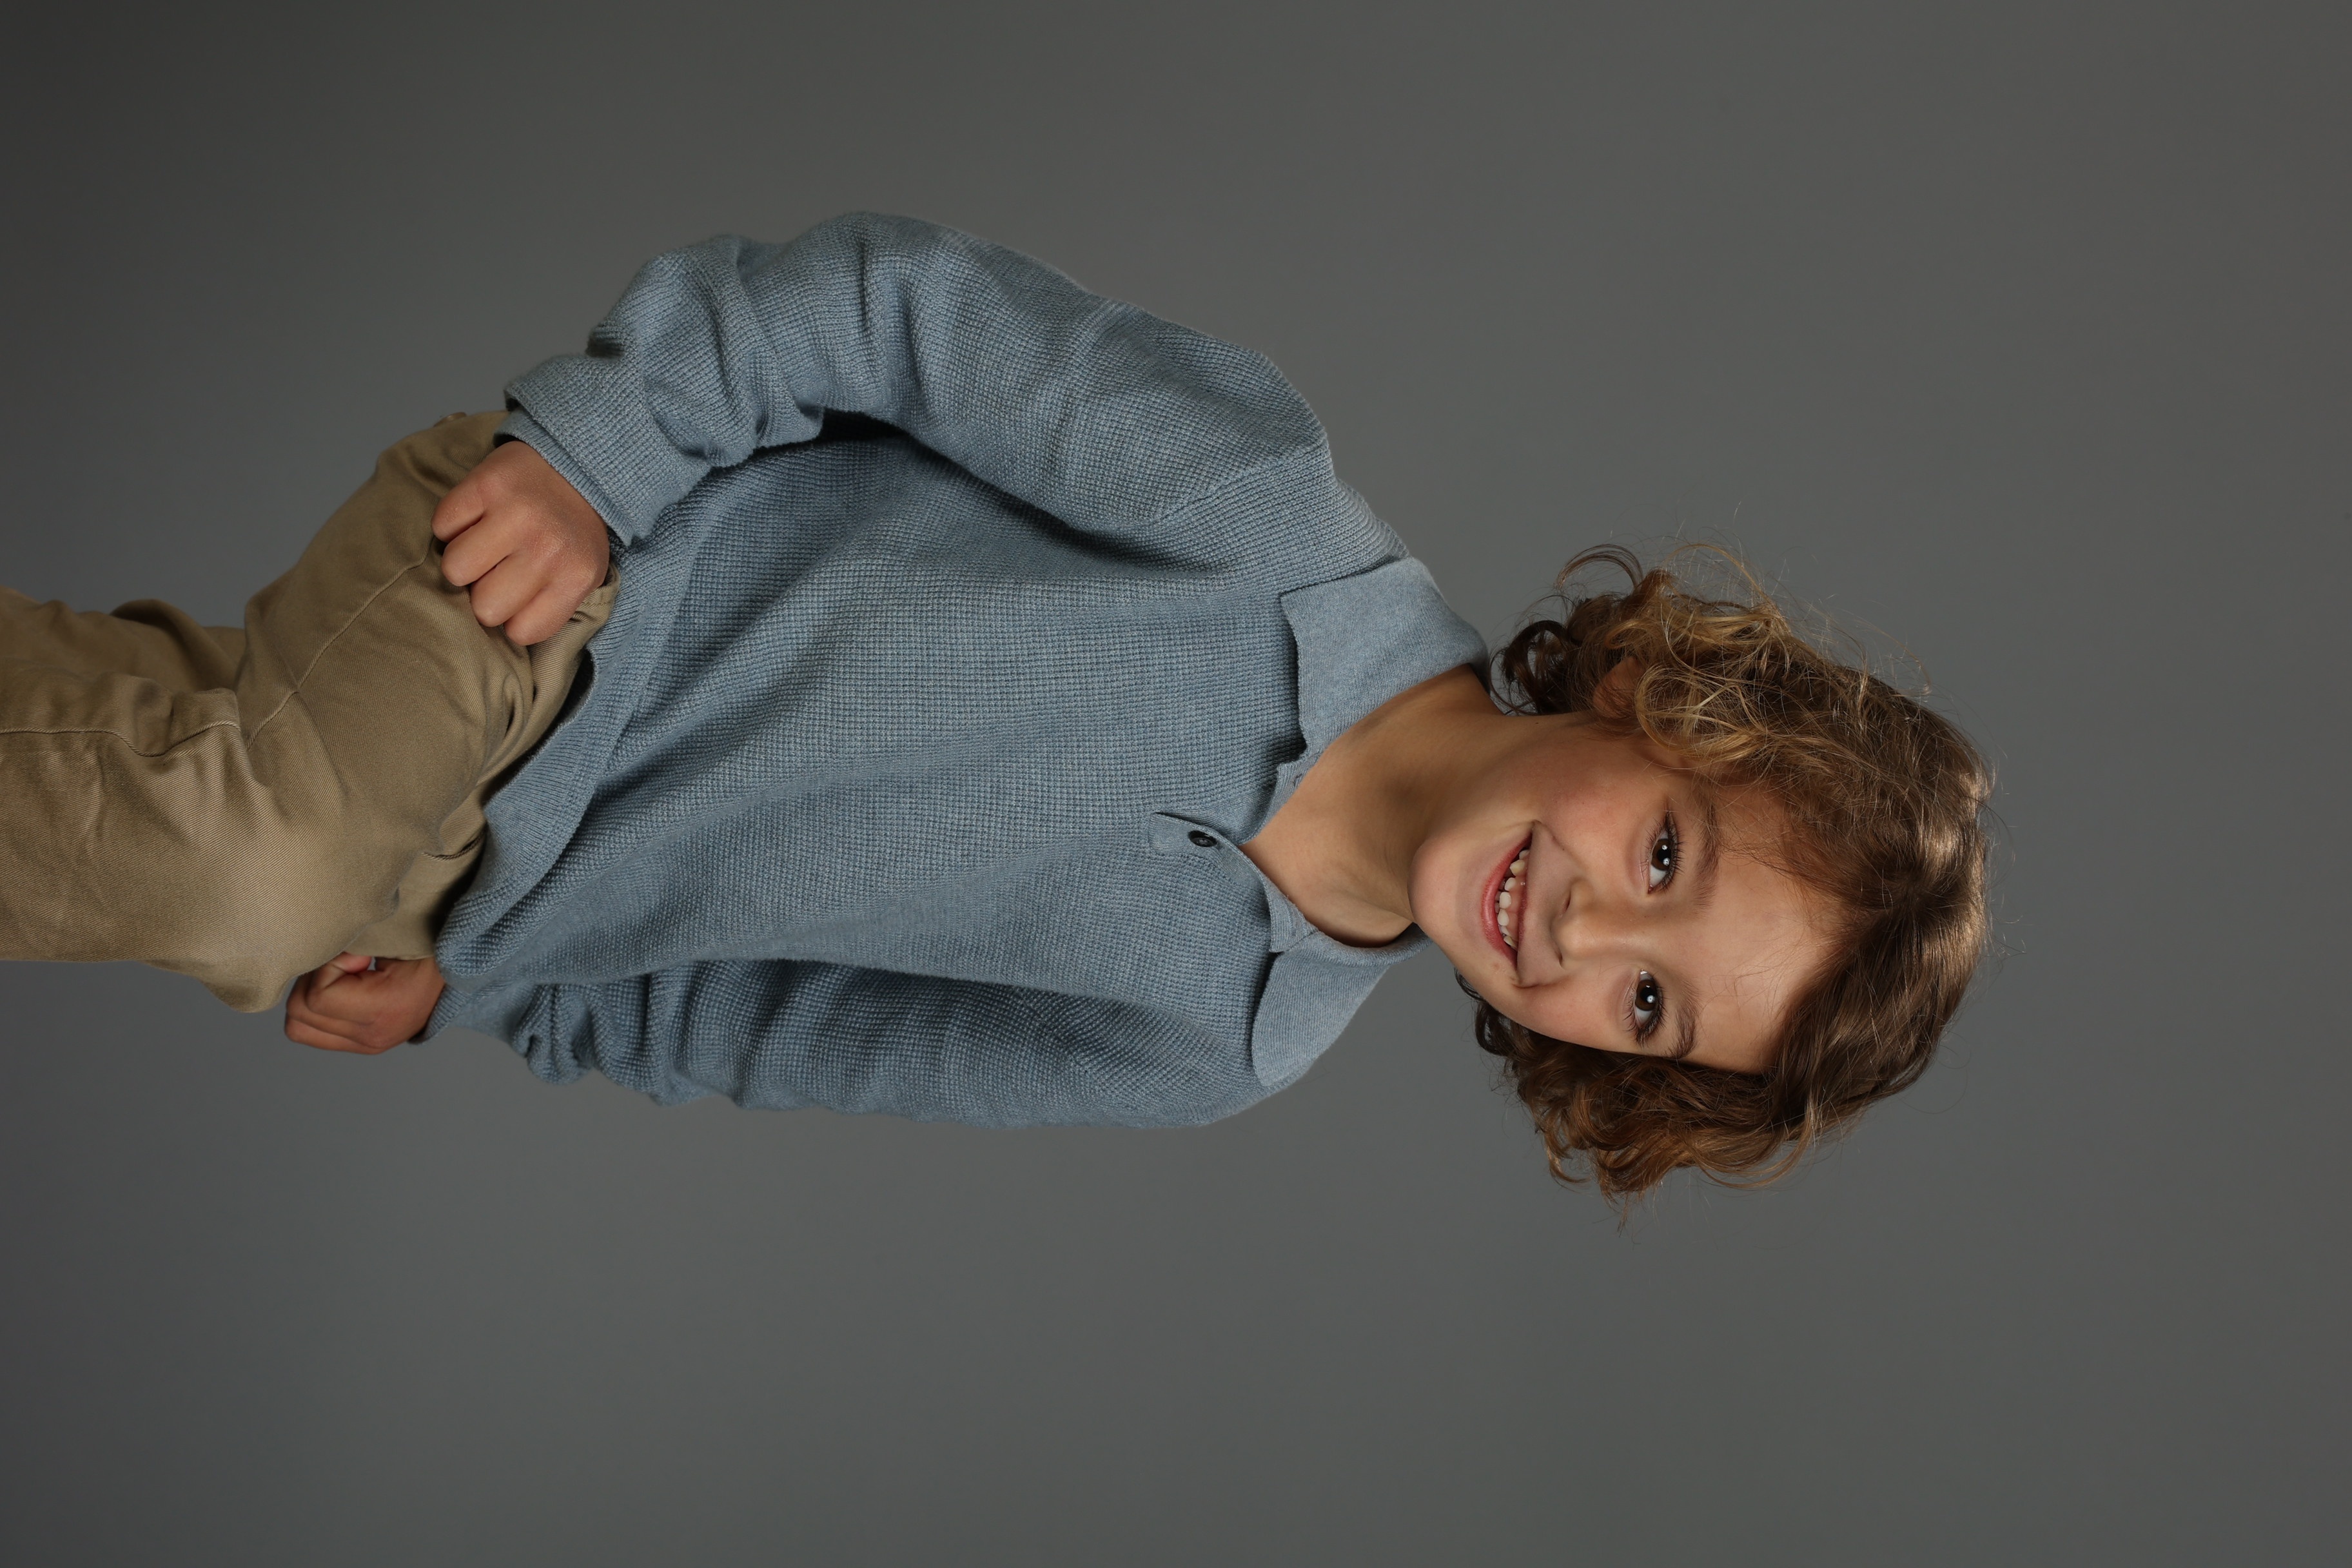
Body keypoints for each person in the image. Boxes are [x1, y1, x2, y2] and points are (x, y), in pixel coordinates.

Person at [0, 213, 1990, 1203]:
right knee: (250, 871)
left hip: (483, 892)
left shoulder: (1222, 1044)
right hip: (559, 585)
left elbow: (780, 1021)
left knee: (163, 775)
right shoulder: (1264, 524)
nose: (1585, 934)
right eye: (1670, 857)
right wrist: (606, 452)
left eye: (1647, 1006)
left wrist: (488, 997)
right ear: (1656, 700)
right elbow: (894, 314)